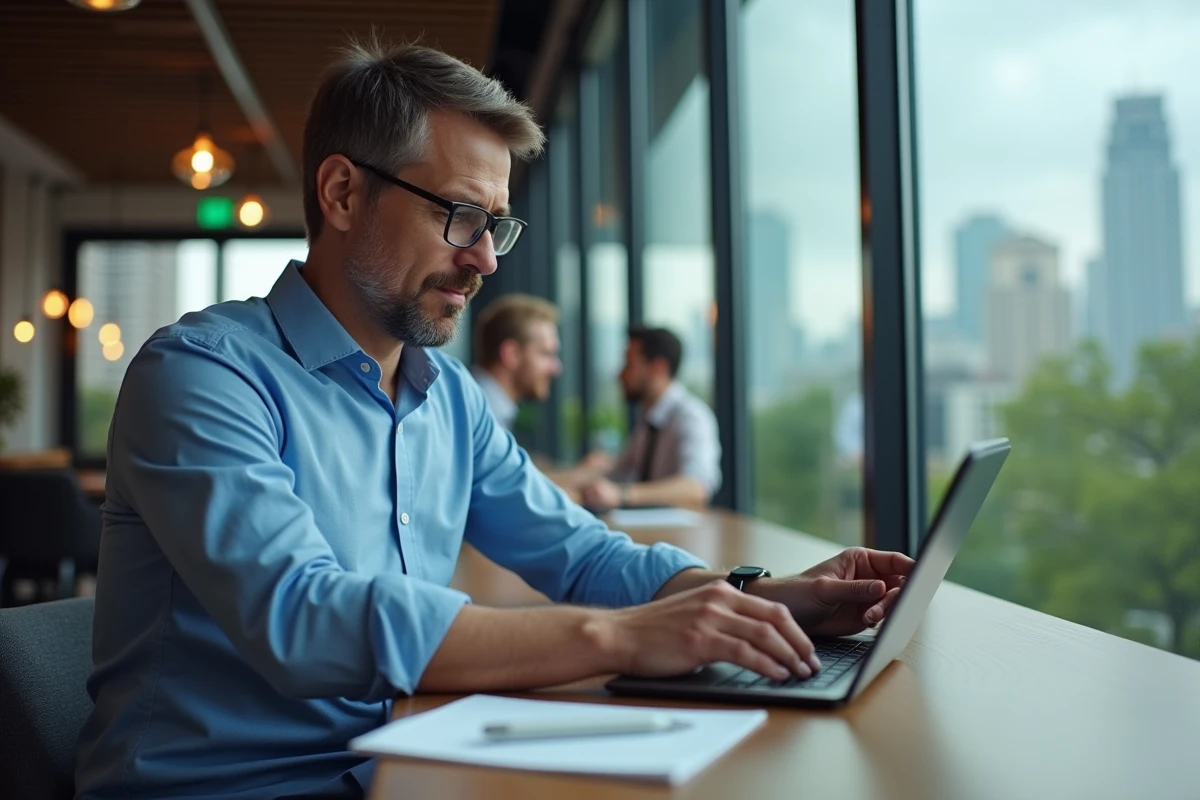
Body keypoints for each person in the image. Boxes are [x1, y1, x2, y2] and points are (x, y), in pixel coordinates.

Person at [75, 40, 913, 800]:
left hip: (402, 764)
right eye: (461, 217)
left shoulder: (448, 398)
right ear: (341, 192)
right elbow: (301, 616)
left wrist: (755, 598)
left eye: (496, 226)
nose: (484, 259)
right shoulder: (202, 375)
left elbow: (580, 553)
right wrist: (623, 639)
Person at [562, 326, 721, 511]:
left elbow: (696, 488)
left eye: (629, 364)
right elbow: (620, 470)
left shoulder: (691, 416)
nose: (620, 374)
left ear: (657, 368)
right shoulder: (649, 420)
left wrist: (622, 495)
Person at [470, 293, 562, 430]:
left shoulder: (482, 409)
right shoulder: (479, 416)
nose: (556, 368)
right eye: (546, 354)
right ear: (512, 354)